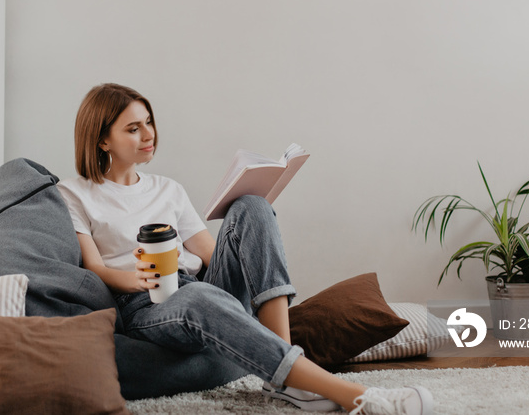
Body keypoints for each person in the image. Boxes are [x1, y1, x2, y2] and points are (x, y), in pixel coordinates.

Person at [57, 83, 434, 415]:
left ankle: (283, 365)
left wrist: (253, 228)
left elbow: (208, 251)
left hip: (197, 287)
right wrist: (135, 280)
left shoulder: (167, 188)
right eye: (133, 128)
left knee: (253, 205)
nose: (148, 134)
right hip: (147, 304)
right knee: (201, 297)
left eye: (149, 122)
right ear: (103, 139)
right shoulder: (74, 194)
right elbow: (93, 267)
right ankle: (359, 397)